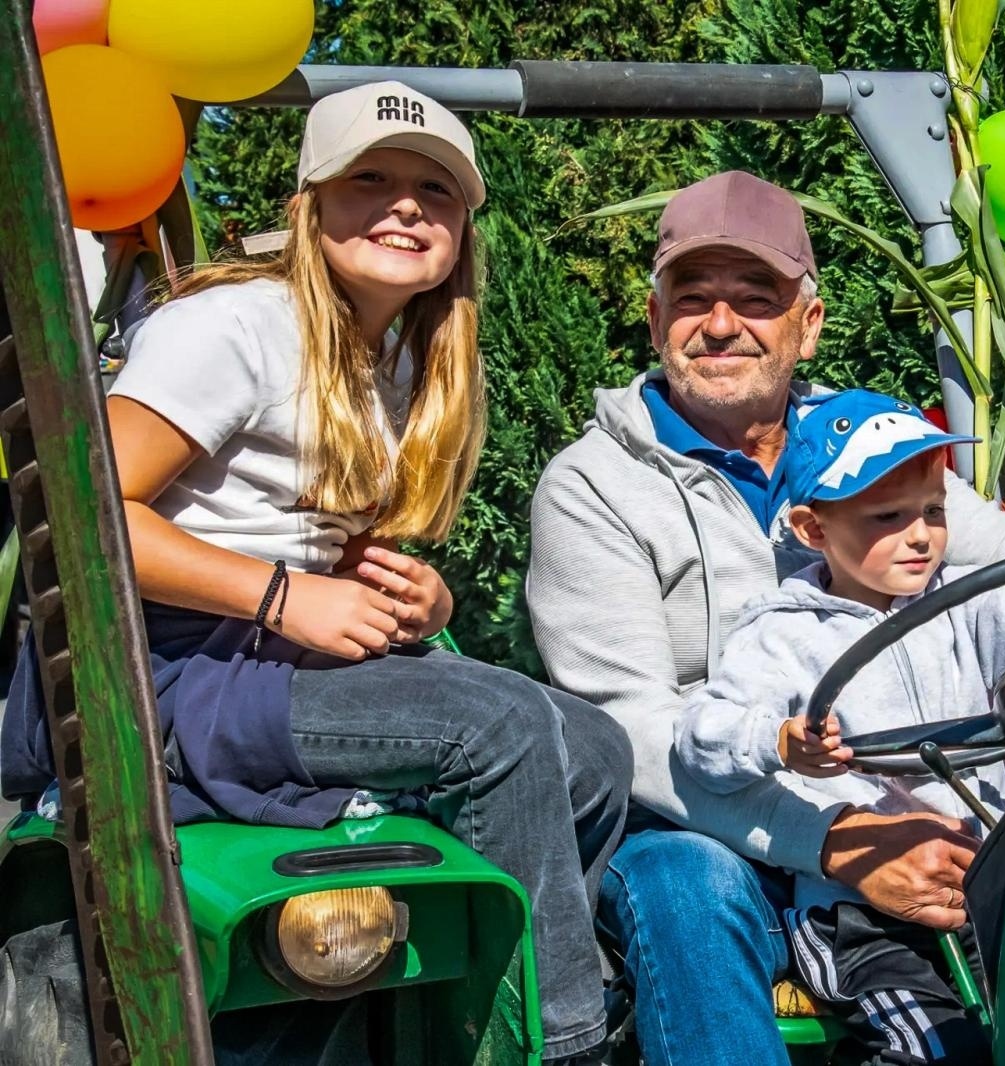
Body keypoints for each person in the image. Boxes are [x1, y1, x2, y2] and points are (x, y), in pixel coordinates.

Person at [526, 169, 1005, 1065]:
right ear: (656, 319)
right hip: (713, 807)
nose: (723, 324)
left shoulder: (869, 451)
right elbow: (631, 729)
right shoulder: (594, 486)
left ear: (809, 323)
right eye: (693, 298)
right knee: (680, 882)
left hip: (901, 791)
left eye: (757, 298)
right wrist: (837, 839)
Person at [1, 81, 628, 1065]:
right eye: (368, 180)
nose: (405, 205)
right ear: (309, 206)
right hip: (164, 669)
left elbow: (301, 537)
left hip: (272, 661)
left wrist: (415, 592)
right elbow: (84, 521)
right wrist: (283, 596)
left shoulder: (401, 358)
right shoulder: (237, 326)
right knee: (499, 727)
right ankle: (560, 1045)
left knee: (593, 746)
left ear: (463, 227)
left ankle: (456, 1007)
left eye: (435, 189)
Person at [674, 388, 1005, 1063]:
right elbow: (703, 733)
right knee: (937, 1049)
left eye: (933, 511)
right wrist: (776, 742)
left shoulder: (959, 605)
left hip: (983, 890)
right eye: (888, 516)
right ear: (813, 530)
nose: (920, 535)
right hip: (859, 916)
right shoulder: (781, 635)